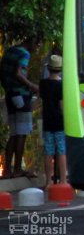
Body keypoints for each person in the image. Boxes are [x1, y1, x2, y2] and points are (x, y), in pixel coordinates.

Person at [0, 38, 40, 179]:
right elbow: (19, 73)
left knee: (14, 133)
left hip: (10, 95)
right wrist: (31, 86)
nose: (38, 47)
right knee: (22, 133)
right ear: (31, 42)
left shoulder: (9, 51)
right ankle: (17, 169)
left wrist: (8, 89)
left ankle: (7, 171)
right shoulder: (24, 54)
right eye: (37, 44)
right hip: (22, 96)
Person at [39, 55, 67, 187]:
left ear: (49, 69)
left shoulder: (43, 84)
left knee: (48, 151)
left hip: (47, 121)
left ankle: (48, 181)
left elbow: (40, 101)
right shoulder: (61, 85)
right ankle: (63, 180)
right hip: (59, 122)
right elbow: (61, 105)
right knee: (61, 150)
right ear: (60, 69)